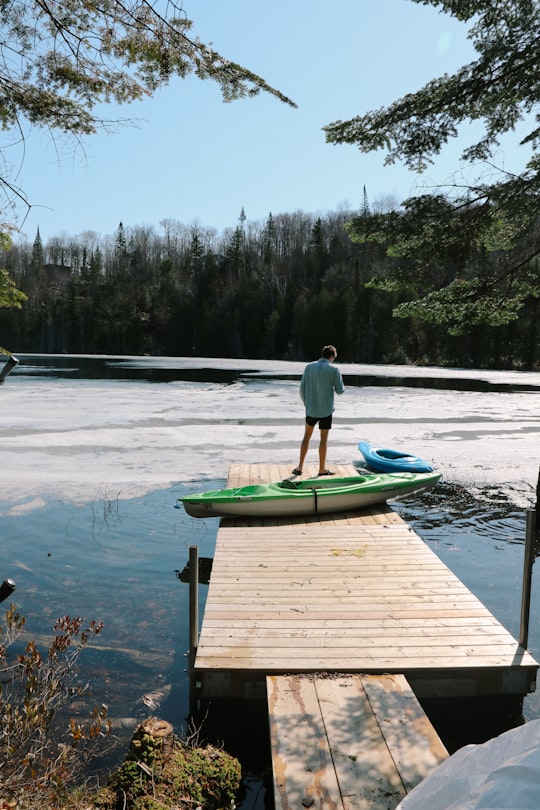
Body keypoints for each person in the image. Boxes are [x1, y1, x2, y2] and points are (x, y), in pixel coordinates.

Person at [293, 345, 344, 476]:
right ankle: (322, 469)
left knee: (306, 436)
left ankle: (299, 467)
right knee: (324, 439)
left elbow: (302, 390)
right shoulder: (334, 369)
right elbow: (340, 390)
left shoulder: (309, 367)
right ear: (331, 356)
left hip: (311, 410)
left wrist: (307, 404)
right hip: (326, 410)